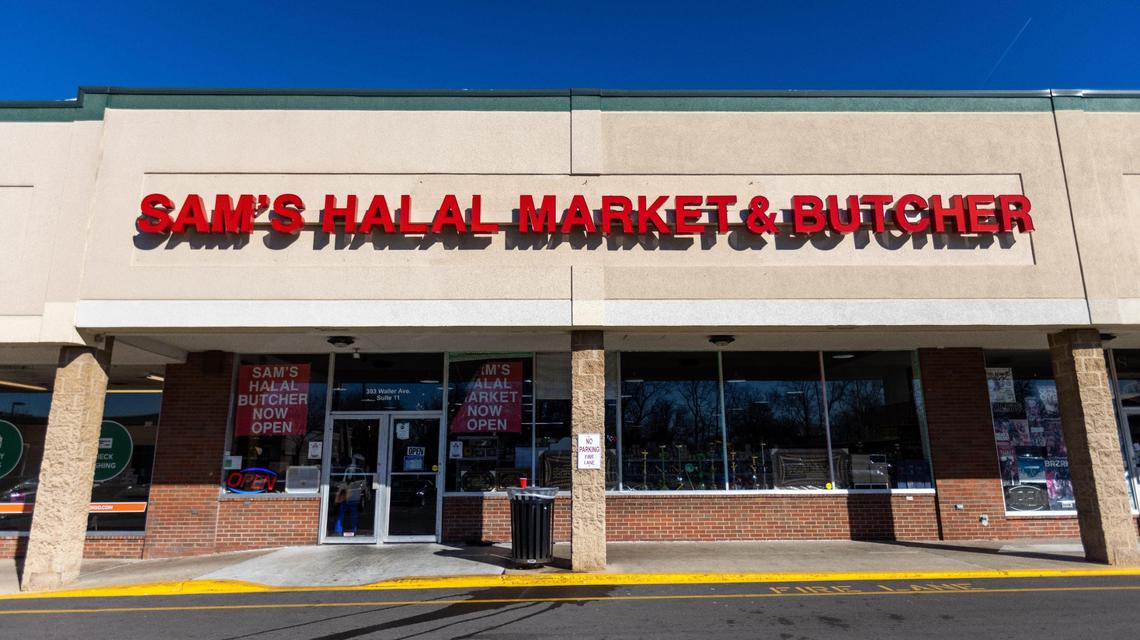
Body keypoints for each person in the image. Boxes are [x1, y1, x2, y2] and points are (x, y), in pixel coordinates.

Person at [335, 453, 369, 535]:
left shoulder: (349, 469)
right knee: (351, 512)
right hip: (351, 494)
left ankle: (339, 530)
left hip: (348, 493)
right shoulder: (353, 469)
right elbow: (349, 480)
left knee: (343, 512)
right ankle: (352, 529)